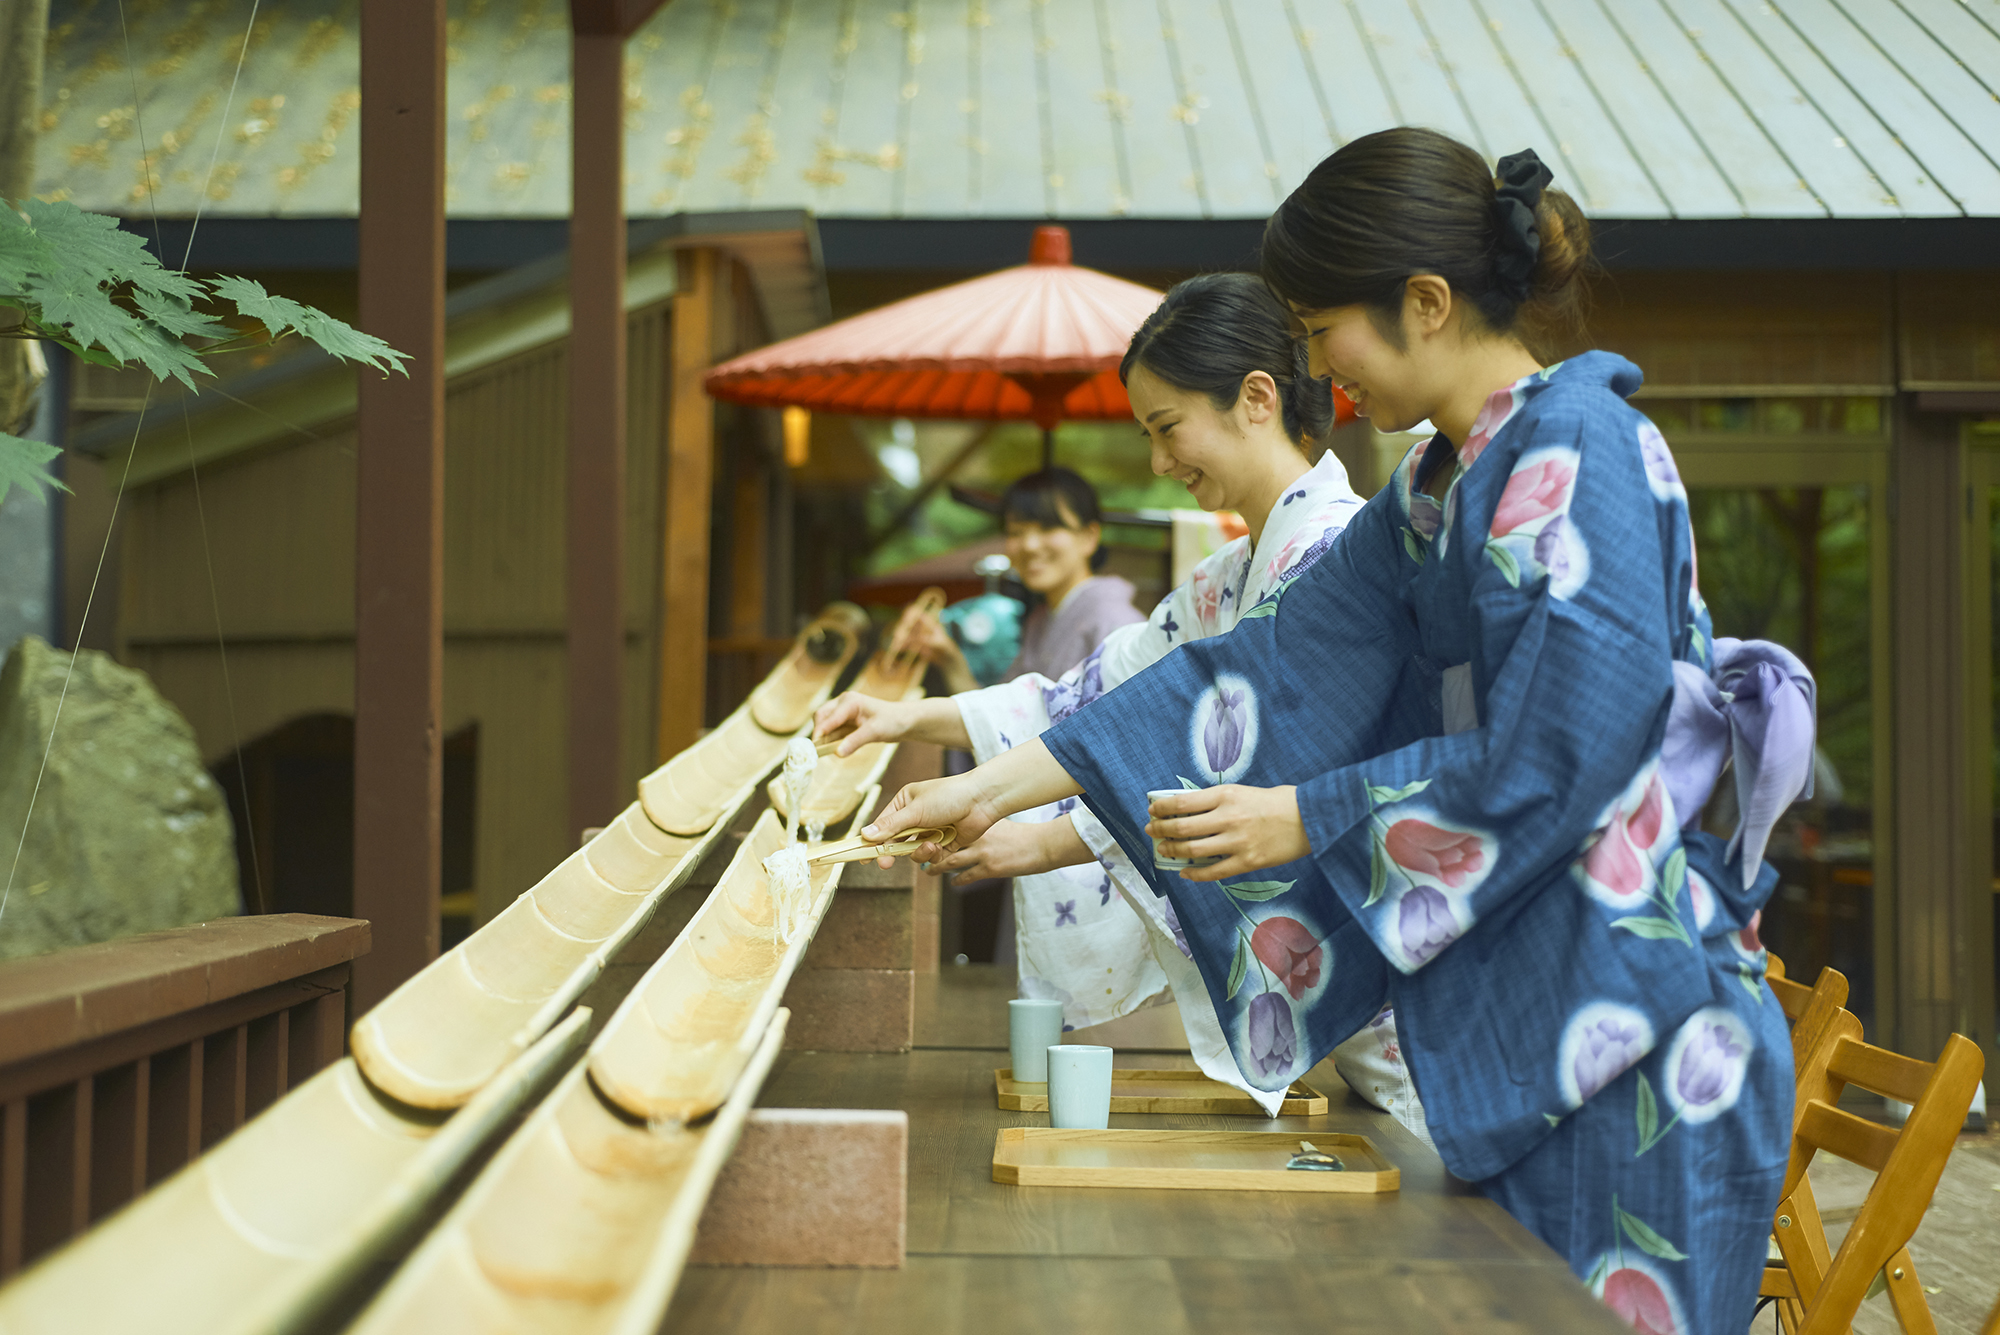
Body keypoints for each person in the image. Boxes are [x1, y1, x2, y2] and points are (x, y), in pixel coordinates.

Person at [858, 130, 1813, 1335]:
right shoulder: (1433, 486)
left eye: (1319, 332)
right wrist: (989, 786)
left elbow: (1562, 756)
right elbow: (1263, 664)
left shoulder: (1585, 449)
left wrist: (1302, 814)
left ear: (1422, 303)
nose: (1317, 368)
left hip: (1642, 1029)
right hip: (1523, 1014)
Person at [818, 273, 1381, 1122]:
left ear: (1256, 398)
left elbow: (1230, 770)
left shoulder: (1336, 555)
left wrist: (1030, 839)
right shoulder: (1224, 577)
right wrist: (905, 716)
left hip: (1395, 994)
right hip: (1342, 1011)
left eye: (1166, 428)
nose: (1158, 462)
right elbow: (1089, 700)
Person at [905, 469, 1141, 695]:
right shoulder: (1041, 621)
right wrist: (949, 659)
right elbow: (1004, 718)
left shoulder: (1116, 624)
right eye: (1016, 532)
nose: (1029, 545)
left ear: (1089, 537)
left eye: (1048, 528)